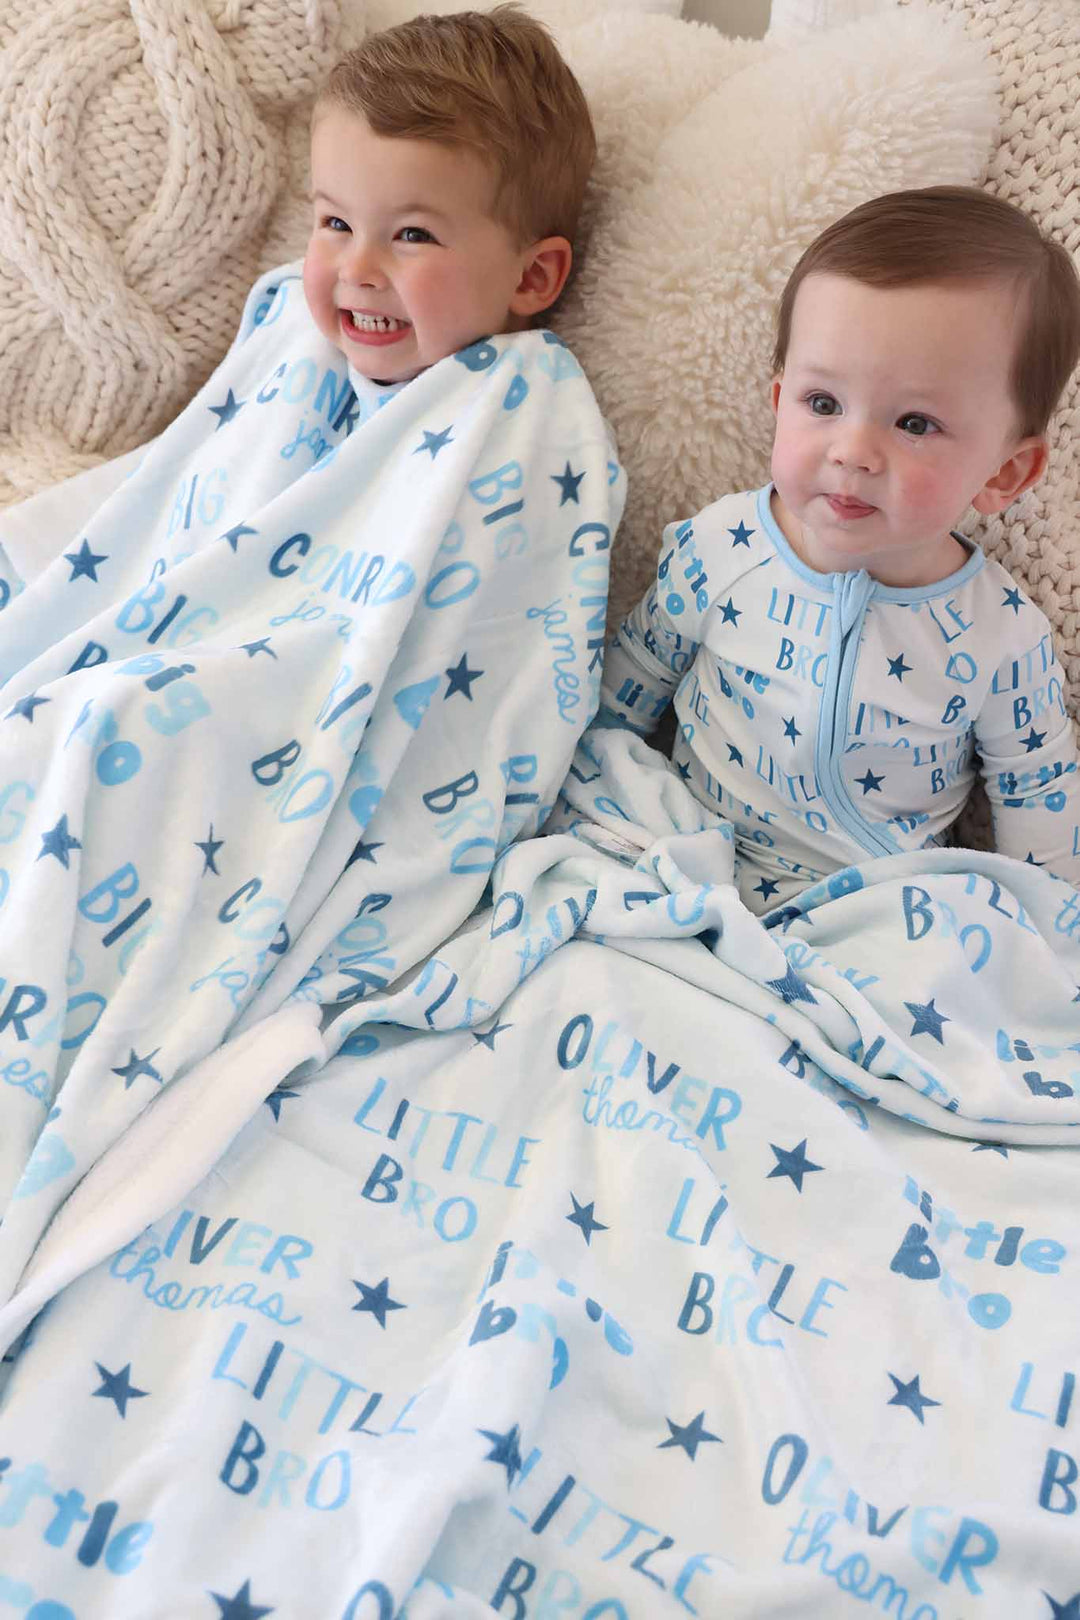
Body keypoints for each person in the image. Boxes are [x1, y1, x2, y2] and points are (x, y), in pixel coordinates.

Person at [599, 185, 1080, 913]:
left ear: (1004, 472)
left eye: (914, 423)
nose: (852, 451)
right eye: (822, 404)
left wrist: (1048, 933)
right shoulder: (719, 550)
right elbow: (621, 696)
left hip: (876, 907)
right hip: (685, 856)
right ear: (779, 403)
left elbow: (1038, 795)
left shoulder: (1002, 635)